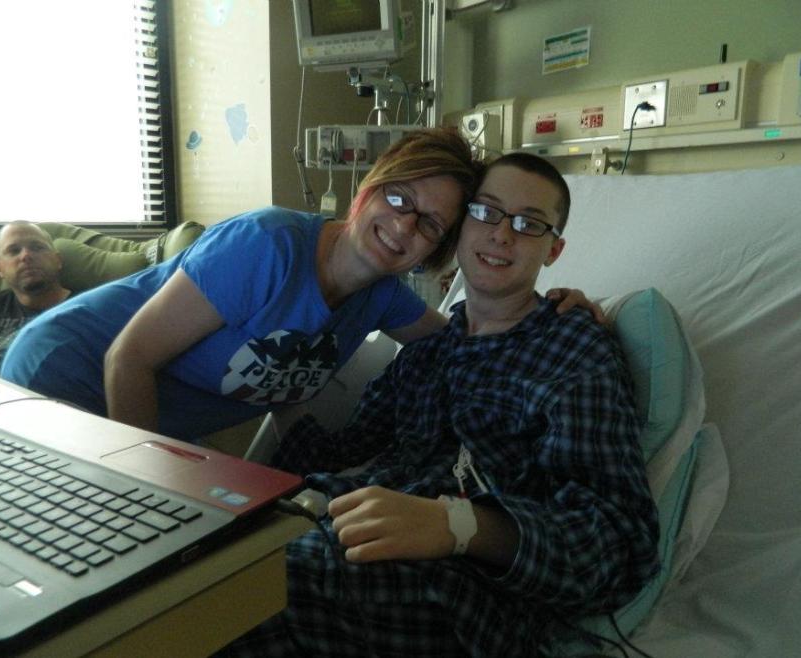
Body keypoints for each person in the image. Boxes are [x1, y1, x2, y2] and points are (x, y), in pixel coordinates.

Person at [218, 153, 660, 658]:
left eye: (528, 224)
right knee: (202, 564)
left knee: (237, 593)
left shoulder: (573, 352)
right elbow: (336, 454)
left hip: (461, 598)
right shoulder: (428, 355)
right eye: (486, 212)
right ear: (460, 226)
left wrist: (462, 525)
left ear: (553, 250)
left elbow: (620, 544)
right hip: (345, 538)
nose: (501, 235)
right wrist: (278, 393)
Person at [0, 129, 598, 441]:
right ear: (367, 190)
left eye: (430, 224)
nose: (403, 226)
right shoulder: (266, 246)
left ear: (434, 250)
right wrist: (151, 487)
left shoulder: (381, 298)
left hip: (131, 409)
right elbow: (128, 356)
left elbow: (470, 342)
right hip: (64, 372)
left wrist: (565, 310)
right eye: (399, 198)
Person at [0, 221, 72, 371]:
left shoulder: (85, 311)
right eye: (14, 251)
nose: (26, 256)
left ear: (57, 260)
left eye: (37, 247)